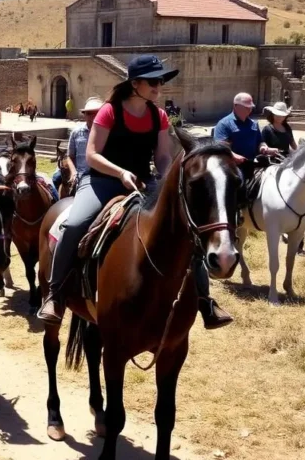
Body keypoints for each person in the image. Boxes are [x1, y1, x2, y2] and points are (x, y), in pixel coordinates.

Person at [37, 55, 233, 330]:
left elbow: (163, 156)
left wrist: (167, 179)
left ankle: (205, 301)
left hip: (144, 182)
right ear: (135, 83)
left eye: (161, 80)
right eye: (153, 80)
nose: (159, 86)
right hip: (102, 182)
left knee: (188, 229)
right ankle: (55, 296)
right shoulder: (110, 111)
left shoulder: (159, 115)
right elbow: (92, 155)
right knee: (75, 224)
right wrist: (120, 173)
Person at [213, 93, 281, 184]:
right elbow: (220, 147)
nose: (249, 109)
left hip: (252, 163)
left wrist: (264, 148)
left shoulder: (253, 124)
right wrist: (233, 155)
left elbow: (260, 142)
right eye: (246, 107)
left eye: (250, 107)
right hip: (232, 167)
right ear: (236, 106)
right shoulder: (224, 124)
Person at [52, 97, 102, 191]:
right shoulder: (76, 132)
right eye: (89, 113)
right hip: (80, 176)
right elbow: (70, 156)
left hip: (101, 177)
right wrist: (74, 172)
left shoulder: (108, 133)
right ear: (84, 115)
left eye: (97, 113)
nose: (93, 117)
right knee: (55, 180)